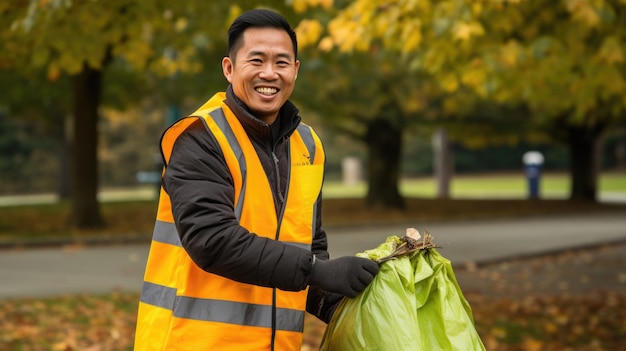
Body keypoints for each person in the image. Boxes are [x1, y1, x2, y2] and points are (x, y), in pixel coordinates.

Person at [134, 8, 379, 351]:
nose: (270, 73)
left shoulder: (307, 145)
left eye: (281, 62)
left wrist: (340, 300)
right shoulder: (200, 137)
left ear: (295, 70)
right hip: (192, 342)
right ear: (229, 69)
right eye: (257, 60)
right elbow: (213, 240)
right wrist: (317, 272)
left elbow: (308, 245)